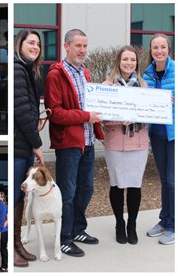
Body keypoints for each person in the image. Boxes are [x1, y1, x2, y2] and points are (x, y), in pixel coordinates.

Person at [44, 29, 104, 257]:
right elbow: (56, 114)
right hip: (68, 143)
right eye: (78, 45)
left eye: (85, 46)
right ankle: (64, 238)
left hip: (87, 141)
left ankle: (78, 229)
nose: (82, 50)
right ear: (66, 46)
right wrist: (86, 116)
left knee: (86, 189)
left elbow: (91, 105)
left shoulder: (86, 73)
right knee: (67, 193)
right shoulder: (55, 75)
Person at [102, 46, 149, 245]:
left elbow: (151, 115)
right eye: (125, 59)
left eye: (132, 60)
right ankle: (119, 223)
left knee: (135, 185)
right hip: (115, 143)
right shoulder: (108, 85)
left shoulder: (144, 86)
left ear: (137, 63)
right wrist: (121, 118)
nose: (129, 63)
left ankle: (132, 224)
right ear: (118, 62)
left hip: (138, 143)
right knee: (117, 184)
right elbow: (102, 118)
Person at [13, 29, 44, 267]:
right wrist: (37, 144)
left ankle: (17, 244)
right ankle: (10, 248)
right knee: (14, 197)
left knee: (20, 198)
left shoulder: (27, 69)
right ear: (20, 44)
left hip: (23, 144)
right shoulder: (17, 68)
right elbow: (21, 111)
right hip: (18, 145)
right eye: (30, 42)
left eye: (38, 44)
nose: (35, 47)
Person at [143, 34, 175, 245]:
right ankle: (164, 220)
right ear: (151, 50)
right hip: (156, 133)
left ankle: (173, 226)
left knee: (173, 181)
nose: (159, 51)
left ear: (168, 50)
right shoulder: (147, 73)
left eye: (163, 47)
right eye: (155, 47)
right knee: (164, 179)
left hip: (174, 135)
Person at [0, 192, 8, 272]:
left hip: (3, 230)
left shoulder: (6, 206)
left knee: (2, 248)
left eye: (2, 197)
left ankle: (4, 265)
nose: (0, 198)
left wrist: (0, 228)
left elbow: (8, 219)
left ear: (4, 198)